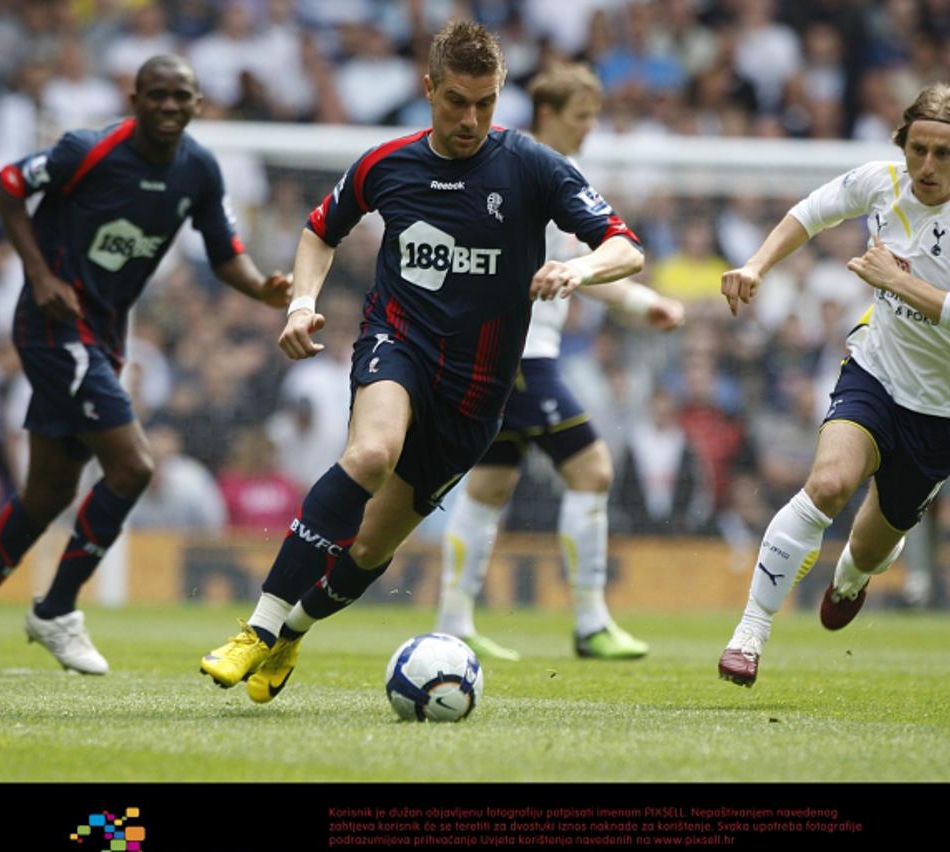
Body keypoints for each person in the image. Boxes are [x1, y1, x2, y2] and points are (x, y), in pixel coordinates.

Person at [199, 22, 644, 704]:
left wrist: (580, 270)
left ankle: (291, 634)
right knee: (371, 453)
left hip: (477, 393)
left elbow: (625, 247)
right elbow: (321, 229)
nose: (471, 120)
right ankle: (257, 628)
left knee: (371, 549)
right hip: (398, 344)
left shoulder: (531, 166)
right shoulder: (388, 163)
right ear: (428, 87)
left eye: (486, 103)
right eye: (456, 101)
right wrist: (301, 303)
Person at [0, 55, 290, 676]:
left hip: (104, 335)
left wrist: (262, 290)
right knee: (134, 466)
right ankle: (56, 610)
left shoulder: (198, 168)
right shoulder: (85, 150)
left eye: (182, 97)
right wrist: (37, 273)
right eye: (158, 95)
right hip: (54, 326)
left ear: (198, 105)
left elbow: (226, 253)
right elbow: (8, 184)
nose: (170, 106)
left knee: (49, 490)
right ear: (135, 98)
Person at [717, 83, 950, 686]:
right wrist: (755, 264)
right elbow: (809, 212)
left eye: (944, 154)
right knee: (827, 484)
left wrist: (895, 280)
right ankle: (749, 632)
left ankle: (854, 575)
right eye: (918, 149)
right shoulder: (881, 181)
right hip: (875, 370)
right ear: (903, 143)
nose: (927, 166)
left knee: (870, 549)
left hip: (944, 410)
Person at [431, 63, 684, 662]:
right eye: (581, 117)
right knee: (593, 470)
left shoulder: (547, 176)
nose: (591, 128)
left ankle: (452, 621)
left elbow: (575, 272)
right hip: (520, 354)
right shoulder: (528, 175)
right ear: (547, 116)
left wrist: (644, 305)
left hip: (512, 352)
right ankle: (591, 622)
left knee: (490, 487)